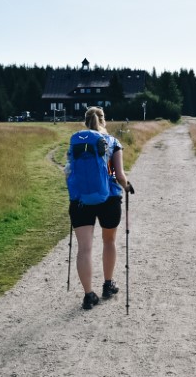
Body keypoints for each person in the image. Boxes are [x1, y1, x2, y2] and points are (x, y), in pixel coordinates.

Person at [69, 106, 130, 310]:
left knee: (84, 249)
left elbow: (69, 172)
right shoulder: (113, 142)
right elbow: (119, 176)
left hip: (80, 201)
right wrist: (127, 186)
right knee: (109, 241)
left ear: (85, 122)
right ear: (104, 121)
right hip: (109, 198)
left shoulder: (75, 142)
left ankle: (88, 296)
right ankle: (107, 284)